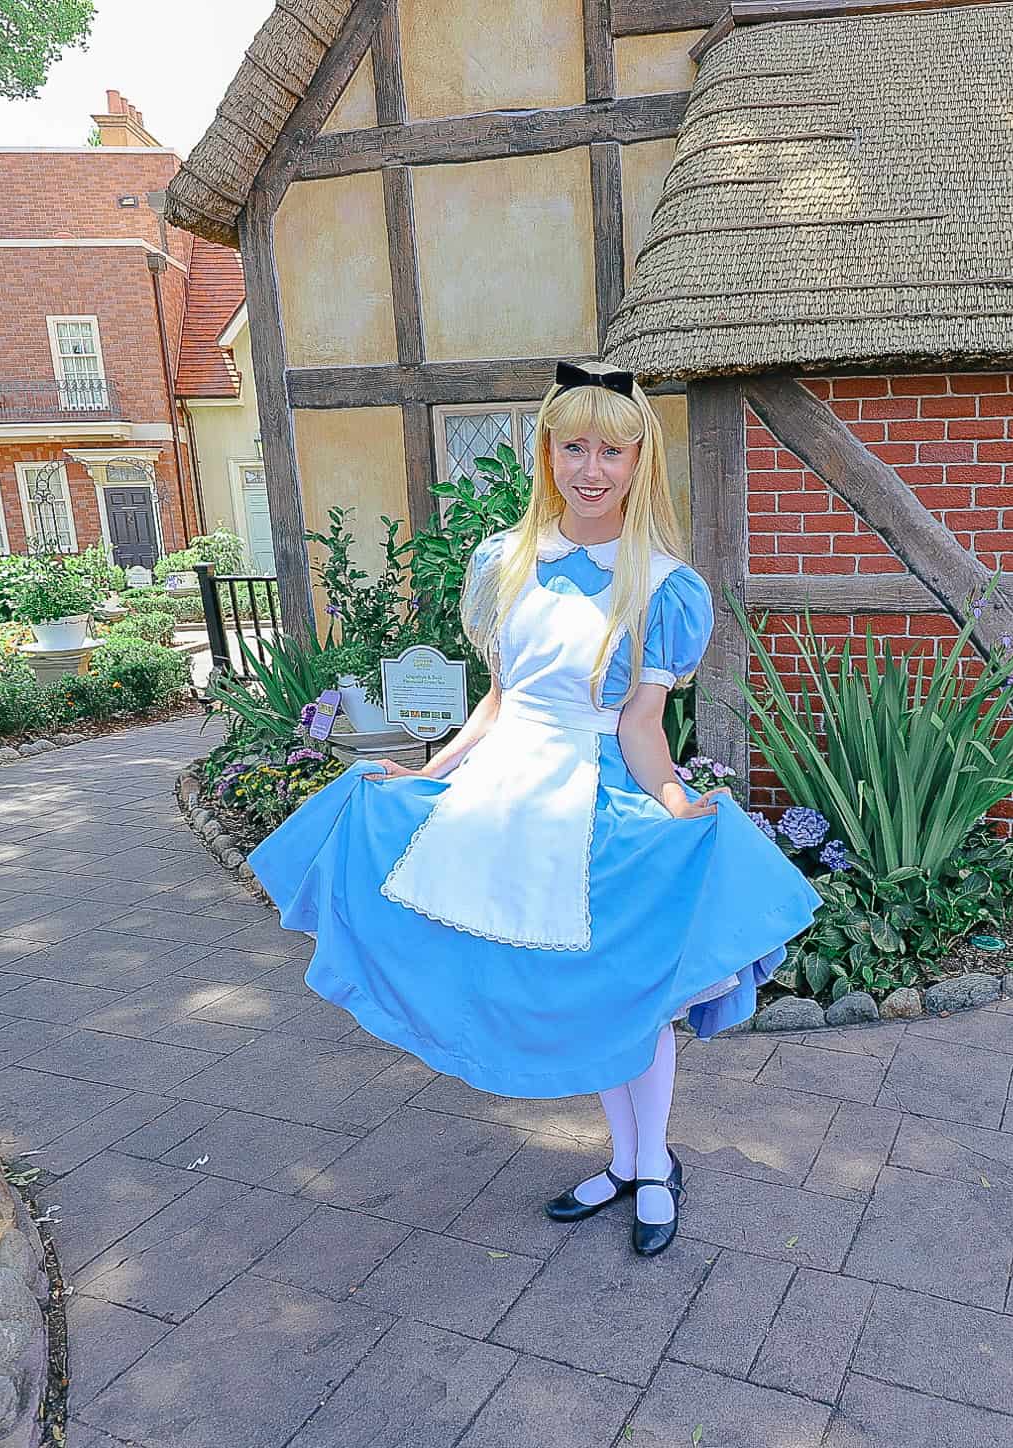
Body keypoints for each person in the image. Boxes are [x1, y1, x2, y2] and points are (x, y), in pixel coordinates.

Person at [248, 358, 823, 1257]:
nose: (592, 469)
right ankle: (628, 1163)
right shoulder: (504, 562)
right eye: (574, 447)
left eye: (612, 452)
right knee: (574, 989)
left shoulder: (664, 585)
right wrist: (430, 773)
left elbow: (640, 725)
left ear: (640, 464)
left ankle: (650, 1167)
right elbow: (499, 700)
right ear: (547, 453)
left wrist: (674, 800)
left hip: (596, 798)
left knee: (626, 997)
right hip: (504, 791)